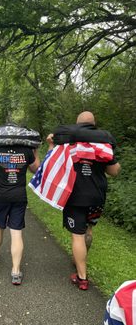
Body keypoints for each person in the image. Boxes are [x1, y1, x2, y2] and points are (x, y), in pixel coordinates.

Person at [47, 111, 120, 290]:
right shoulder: (103, 146)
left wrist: (50, 144)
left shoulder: (67, 143)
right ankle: (80, 260)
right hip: (97, 196)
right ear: (93, 124)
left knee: (77, 235)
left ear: (77, 124)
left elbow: (50, 163)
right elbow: (114, 171)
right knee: (88, 230)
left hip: (75, 197)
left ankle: (82, 278)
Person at [0, 142, 40, 285]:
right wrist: (35, 151)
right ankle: (16, 272)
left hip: (0, 196)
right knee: (16, 232)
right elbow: (36, 169)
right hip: (19, 196)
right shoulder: (26, 150)